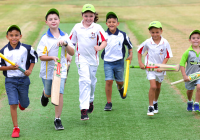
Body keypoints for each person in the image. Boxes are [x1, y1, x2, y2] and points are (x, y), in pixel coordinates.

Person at [37, 8, 74, 130]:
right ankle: (44, 93)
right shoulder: (44, 38)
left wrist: (66, 44)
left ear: (59, 20)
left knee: (59, 93)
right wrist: (52, 57)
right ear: (46, 22)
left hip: (60, 70)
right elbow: (41, 56)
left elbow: (72, 52)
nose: (53, 21)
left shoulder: (65, 36)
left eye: (55, 19)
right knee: (49, 93)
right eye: (50, 19)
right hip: (47, 71)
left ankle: (57, 119)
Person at [69, 4, 107, 120]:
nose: (88, 18)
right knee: (84, 81)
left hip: (93, 60)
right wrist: (68, 56)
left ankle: (90, 100)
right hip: (81, 58)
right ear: (82, 15)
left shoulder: (97, 28)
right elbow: (71, 42)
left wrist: (100, 48)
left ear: (94, 16)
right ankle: (83, 109)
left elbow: (104, 41)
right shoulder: (77, 27)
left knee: (91, 82)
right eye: (86, 16)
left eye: (91, 16)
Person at [0, 25, 38, 138]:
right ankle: (16, 128)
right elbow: (0, 66)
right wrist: (9, 68)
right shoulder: (3, 51)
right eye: (11, 35)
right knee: (13, 103)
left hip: (23, 79)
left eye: (16, 35)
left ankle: (23, 103)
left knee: (25, 104)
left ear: (20, 36)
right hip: (10, 81)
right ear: (7, 37)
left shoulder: (26, 48)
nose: (14, 38)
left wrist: (29, 70)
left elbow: (34, 58)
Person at [137, 21, 173, 116]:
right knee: (153, 86)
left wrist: (162, 66)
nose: (155, 34)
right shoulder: (148, 42)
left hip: (160, 69)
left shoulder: (165, 42)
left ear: (161, 31)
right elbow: (139, 51)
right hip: (150, 68)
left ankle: (155, 102)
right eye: (153, 32)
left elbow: (168, 55)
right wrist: (140, 62)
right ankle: (150, 107)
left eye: (157, 32)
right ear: (149, 32)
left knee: (158, 87)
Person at [101, 12, 133, 111]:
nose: (111, 24)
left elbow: (129, 46)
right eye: (109, 22)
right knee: (109, 80)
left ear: (117, 23)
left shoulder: (122, 35)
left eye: (113, 22)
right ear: (106, 24)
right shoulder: (103, 35)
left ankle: (120, 88)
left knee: (120, 82)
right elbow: (97, 45)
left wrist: (130, 55)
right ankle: (109, 102)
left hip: (119, 62)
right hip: (108, 62)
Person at [180, 30, 200, 112]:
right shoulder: (187, 52)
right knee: (190, 91)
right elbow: (182, 64)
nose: (196, 40)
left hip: (199, 75)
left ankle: (196, 104)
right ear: (190, 40)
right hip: (189, 76)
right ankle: (189, 101)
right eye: (193, 38)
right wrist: (184, 76)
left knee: (199, 87)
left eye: (198, 38)